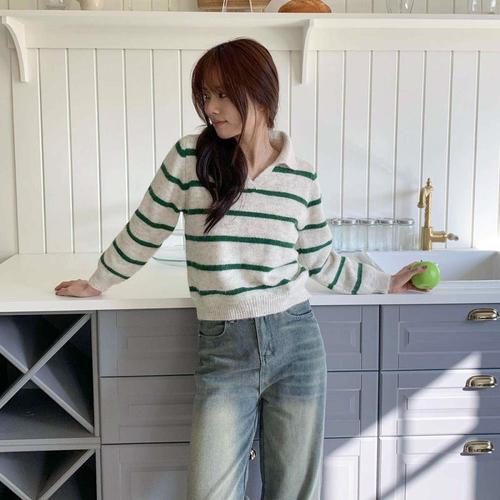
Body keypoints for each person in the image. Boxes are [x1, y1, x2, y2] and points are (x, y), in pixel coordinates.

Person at [54, 38, 428, 500]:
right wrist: (98, 281)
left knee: (293, 493)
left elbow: (321, 260)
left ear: (260, 91)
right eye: (205, 95)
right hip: (224, 346)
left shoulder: (300, 176)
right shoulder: (191, 157)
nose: (210, 107)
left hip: (296, 341)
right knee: (209, 492)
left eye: (222, 94)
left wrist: (384, 283)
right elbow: (146, 227)